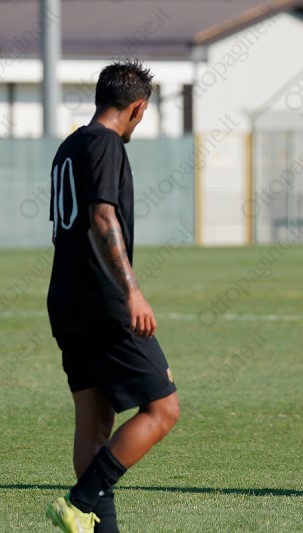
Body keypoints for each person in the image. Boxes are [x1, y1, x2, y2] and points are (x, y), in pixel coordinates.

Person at [45, 60, 180, 532]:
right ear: (137, 108)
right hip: (103, 301)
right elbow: (103, 217)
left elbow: (63, 229)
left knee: (94, 423)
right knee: (163, 409)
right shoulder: (105, 144)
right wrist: (133, 292)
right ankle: (78, 502)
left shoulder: (70, 145)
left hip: (66, 301)